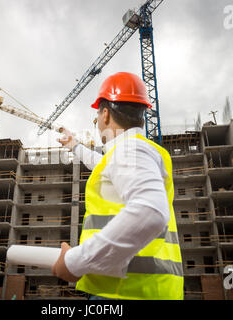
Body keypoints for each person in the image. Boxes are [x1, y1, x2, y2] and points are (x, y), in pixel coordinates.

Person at [52, 72, 183, 300]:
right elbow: (105, 166)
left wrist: (74, 262)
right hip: (145, 289)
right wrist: (74, 145)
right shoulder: (136, 150)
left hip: (123, 292)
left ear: (105, 114)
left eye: (96, 119)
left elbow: (149, 211)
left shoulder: (130, 150)